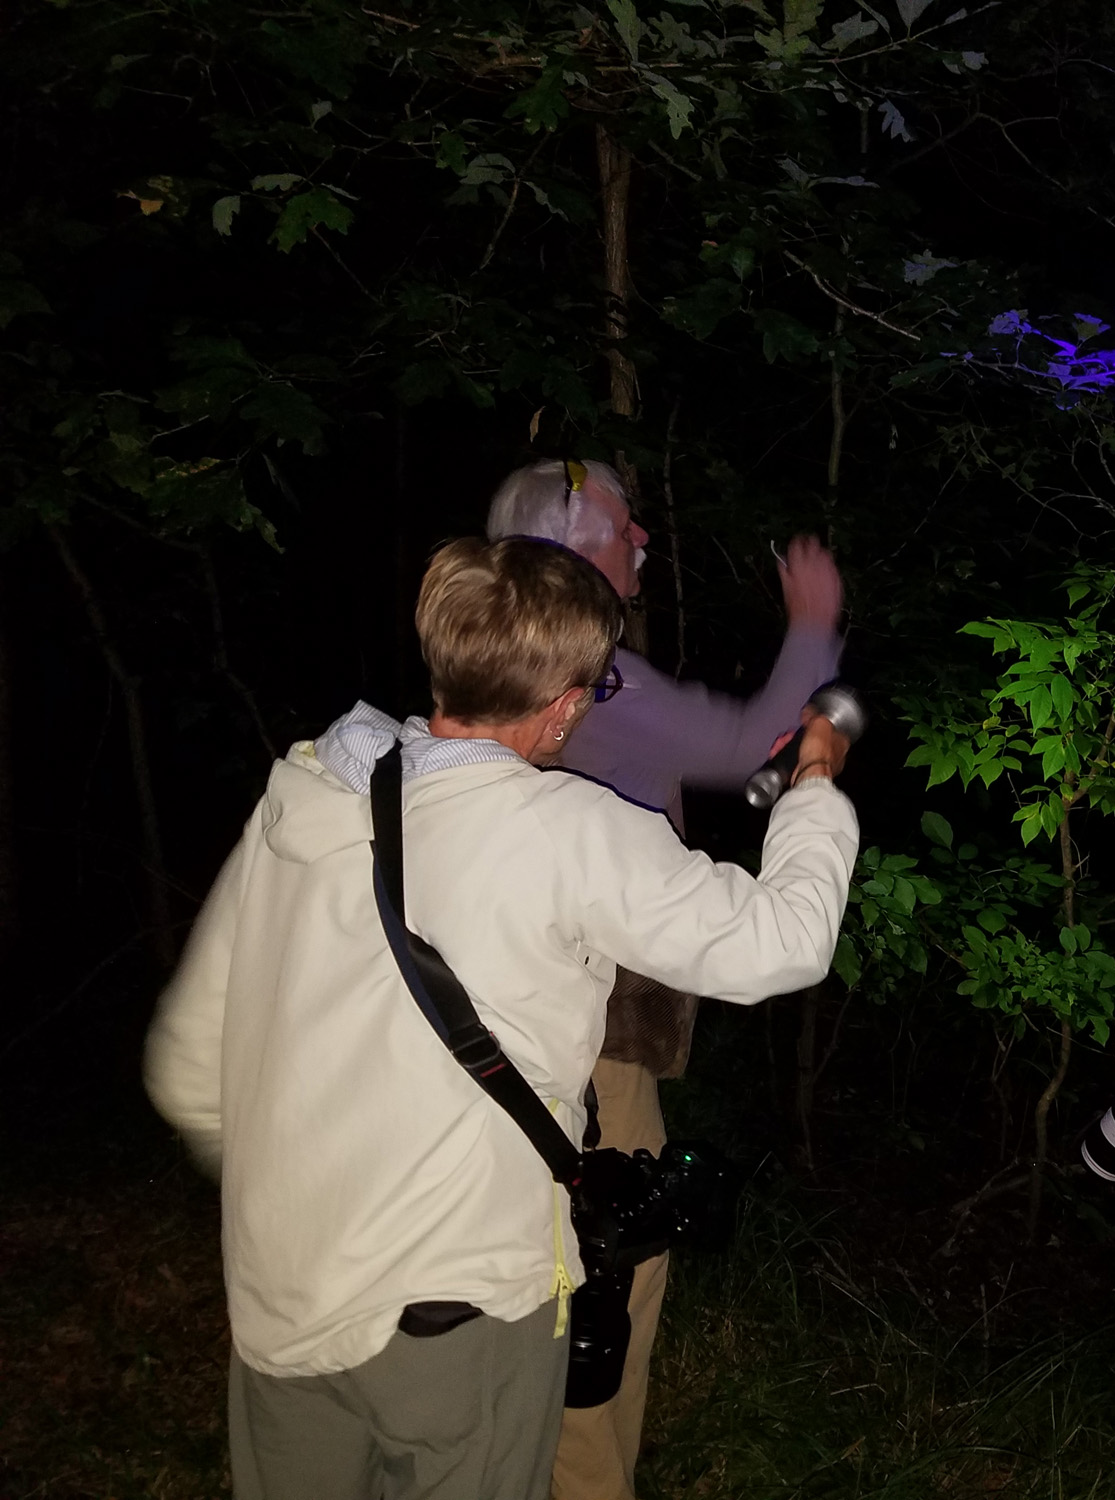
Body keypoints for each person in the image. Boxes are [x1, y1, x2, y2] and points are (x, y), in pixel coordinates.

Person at [144, 537, 859, 1500]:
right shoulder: (562, 831)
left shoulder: (303, 796)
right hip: (462, 1310)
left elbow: (190, 1064)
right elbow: (782, 941)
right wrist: (815, 779)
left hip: (281, 1305)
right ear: (564, 702)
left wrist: (300, 1203)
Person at [484, 456, 843, 1500]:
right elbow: (752, 744)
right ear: (560, 551)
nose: (641, 541)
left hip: (515, 1010)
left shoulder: (507, 678)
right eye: (621, 528)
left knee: (542, 1257)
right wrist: (813, 624)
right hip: (590, 1034)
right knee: (614, 1266)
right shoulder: (600, 682)